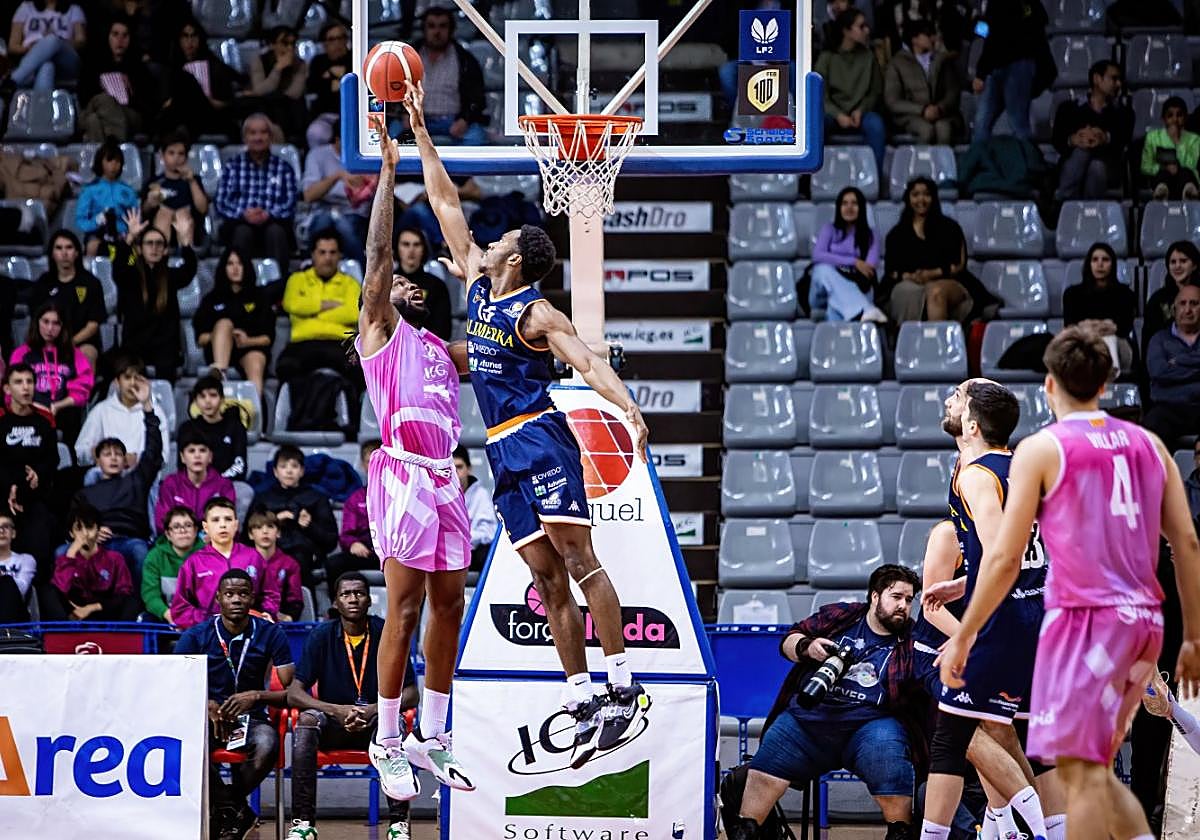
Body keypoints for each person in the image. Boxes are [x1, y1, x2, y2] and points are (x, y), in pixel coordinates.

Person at [406, 83, 653, 767]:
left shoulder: (538, 314)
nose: (486, 241)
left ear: (513, 257)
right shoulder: (478, 283)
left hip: (542, 436)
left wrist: (626, 405)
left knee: (580, 563)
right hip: (500, 450)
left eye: (500, 239)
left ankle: (622, 688)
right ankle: (579, 698)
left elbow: (586, 362)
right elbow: (445, 203)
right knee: (544, 582)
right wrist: (421, 131)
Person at [937, 325, 1200, 840]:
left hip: (1083, 620)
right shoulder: (1148, 442)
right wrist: (1189, 636)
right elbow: (1185, 545)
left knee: (1071, 766)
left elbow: (1009, 557)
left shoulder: (1044, 450)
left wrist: (964, 634)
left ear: (1051, 387)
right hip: (1141, 616)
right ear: (1107, 381)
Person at [353, 122, 475, 800]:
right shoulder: (380, 335)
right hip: (402, 475)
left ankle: (432, 734)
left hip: (446, 478)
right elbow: (375, 260)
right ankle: (386, 739)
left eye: (414, 279)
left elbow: (492, 350)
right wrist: (389, 175)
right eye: (397, 280)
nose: (407, 282)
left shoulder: (438, 348)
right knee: (400, 610)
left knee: (449, 603)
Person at [918, 379, 1058, 840]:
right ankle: (1041, 829)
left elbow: (1005, 551)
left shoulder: (977, 474)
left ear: (972, 424)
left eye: (958, 396)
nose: (948, 399)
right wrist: (965, 581)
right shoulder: (1018, 466)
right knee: (1012, 739)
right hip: (1034, 611)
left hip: (1003, 620)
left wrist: (966, 632)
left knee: (952, 737)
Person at [728, 565, 922, 840]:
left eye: (909, 599)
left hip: (869, 725)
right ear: (875, 597)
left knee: (888, 753)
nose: (903, 605)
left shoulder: (913, 638)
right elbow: (788, 640)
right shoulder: (841, 616)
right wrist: (807, 646)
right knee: (769, 759)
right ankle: (747, 829)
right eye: (896, 597)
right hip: (810, 720)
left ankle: (900, 831)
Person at [286, 572, 418, 840]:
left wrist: (371, 710)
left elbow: (412, 693)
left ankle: (398, 823)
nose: (353, 599)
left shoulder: (386, 632)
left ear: (370, 600)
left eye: (359, 593)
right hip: (334, 724)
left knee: (392, 723)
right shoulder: (321, 635)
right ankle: (303, 822)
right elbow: (294, 694)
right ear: (335, 602)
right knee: (307, 722)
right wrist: (336, 710)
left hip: (376, 725)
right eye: (346, 594)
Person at [175, 568, 294, 840]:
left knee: (268, 744)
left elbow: (291, 690)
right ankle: (236, 810)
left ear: (252, 598)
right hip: (206, 718)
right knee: (186, 749)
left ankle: (226, 806)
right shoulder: (196, 636)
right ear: (218, 599)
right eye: (229, 594)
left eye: (243, 593)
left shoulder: (270, 633)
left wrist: (256, 696)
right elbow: (175, 685)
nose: (236, 600)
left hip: (252, 718)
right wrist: (206, 705)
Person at [73, 374, 161, 579]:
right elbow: (73, 525)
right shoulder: (85, 493)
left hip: (130, 540)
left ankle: (141, 609)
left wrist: (147, 405)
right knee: (61, 553)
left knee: (140, 552)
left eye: (118, 454)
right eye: (106, 454)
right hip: (95, 541)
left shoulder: (136, 481)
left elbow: (153, 451)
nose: (113, 458)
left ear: (125, 460)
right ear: (97, 460)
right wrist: (91, 533)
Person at [882, 177, 995, 323]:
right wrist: (909, 276)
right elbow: (892, 270)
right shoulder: (896, 234)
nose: (921, 199)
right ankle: (908, 341)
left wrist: (932, 274)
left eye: (926, 194)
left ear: (933, 198)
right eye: (915, 194)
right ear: (908, 198)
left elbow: (959, 265)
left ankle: (938, 343)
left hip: (949, 282)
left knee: (935, 292)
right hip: (909, 283)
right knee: (906, 292)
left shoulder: (950, 228)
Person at [171, 496, 281, 629]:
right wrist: (209, 620)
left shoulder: (253, 557)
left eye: (228, 519)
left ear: (236, 525)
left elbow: (271, 594)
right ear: (205, 527)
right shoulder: (194, 563)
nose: (223, 524)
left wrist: (266, 613)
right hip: (208, 633)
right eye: (215, 520)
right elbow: (180, 608)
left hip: (249, 631)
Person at [113, 208, 196, 382]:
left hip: (164, 347)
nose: (154, 248)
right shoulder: (131, 275)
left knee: (167, 371)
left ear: (166, 250)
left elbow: (189, 270)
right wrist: (129, 238)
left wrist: (185, 242)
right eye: (149, 243)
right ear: (140, 249)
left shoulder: (170, 276)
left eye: (159, 244)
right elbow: (118, 269)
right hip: (134, 345)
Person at [275, 231, 361, 395]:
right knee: (285, 367)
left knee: (358, 370)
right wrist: (328, 306)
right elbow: (291, 304)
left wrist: (312, 315)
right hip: (303, 343)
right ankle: (293, 419)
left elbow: (353, 313)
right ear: (313, 255)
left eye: (332, 252)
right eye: (322, 252)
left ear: (340, 256)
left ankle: (352, 419)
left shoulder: (351, 283)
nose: (327, 258)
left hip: (340, 343)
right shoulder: (297, 279)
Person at [214, 113, 298, 271]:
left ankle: (278, 288)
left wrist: (268, 214)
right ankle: (240, 287)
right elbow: (221, 202)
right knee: (242, 232)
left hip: (274, 222)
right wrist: (244, 214)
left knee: (276, 232)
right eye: (252, 133)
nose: (258, 137)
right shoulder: (232, 166)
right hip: (239, 222)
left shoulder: (284, 168)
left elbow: (290, 204)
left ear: (270, 136)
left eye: (263, 132)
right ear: (245, 138)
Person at [0, 363, 59, 574]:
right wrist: (12, 485)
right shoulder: (1, 419)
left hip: (35, 496)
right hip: (3, 495)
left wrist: (39, 473)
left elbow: (53, 458)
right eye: (19, 382)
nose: (26, 388)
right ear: (7, 389)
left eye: (30, 382)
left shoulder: (44, 419)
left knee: (41, 540)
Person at [248, 445, 338, 584]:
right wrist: (274, 521)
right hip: (269, 552)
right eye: (283, 466)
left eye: (294, 466)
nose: (289, 471)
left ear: (302, 471)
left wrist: (309, 525)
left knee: (298, 560)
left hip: (305, 556)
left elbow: (331, 541)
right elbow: (247, 537)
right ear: (275, 471)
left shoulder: (316, 497)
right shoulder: (263, 498)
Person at [9, 300, 93, 446]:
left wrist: (59, 405)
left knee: (72, 417)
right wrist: (34, 406)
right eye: (45, 321)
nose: (50, 328)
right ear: (37, 322)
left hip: (62, 412)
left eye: (56, 323)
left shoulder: (74, 355)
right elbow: (11, 391)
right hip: (29, 411)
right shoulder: (21, 353)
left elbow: (83, 390)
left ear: (63, 327)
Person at [192, 247, 273, 395]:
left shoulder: (259, 297)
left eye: (240, 264)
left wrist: (247, 341)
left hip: (250, 347)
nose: (235, 268)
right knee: (224, 324)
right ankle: (219, 376)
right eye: (230, 264)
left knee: (255, 362)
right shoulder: (212, 299)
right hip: (218, 352)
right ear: (224, 267)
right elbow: (200, 338)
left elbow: (267, 338)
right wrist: (221, 335)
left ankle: (253, 412)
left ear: (246, 267)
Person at [815, 8, 886, 174]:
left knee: (876, 125)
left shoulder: (869, 57)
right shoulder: (827, 58)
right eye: (861, 27)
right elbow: (819, 95)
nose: (867, 30)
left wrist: (861, 110)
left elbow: (875, 92)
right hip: (832, 114)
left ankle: (875, 177)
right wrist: (838, 115)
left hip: (860, 113)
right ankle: (813, 179)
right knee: (817, 124)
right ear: (846, 31)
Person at [970, 0, 1051, 144]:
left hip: (1018, 65)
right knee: (981, 123)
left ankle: (1026, 163)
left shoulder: (1027, 5)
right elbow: (988, 32)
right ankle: (979, 163)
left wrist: (981, 73)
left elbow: (1039, 22)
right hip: (996, 66)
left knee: (1018, 125)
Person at [1051, 60, 1133, 200]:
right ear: (1097, 79)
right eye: (1114, 78)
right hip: (1073, 166)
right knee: (1081, 151)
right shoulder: (1069, 108)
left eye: (1119, 80)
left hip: (1107, 166)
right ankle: (1071, 205)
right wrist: (1074, 139)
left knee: (1096, 167)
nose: (1119, 84)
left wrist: (1104, 138)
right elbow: (1058, 140)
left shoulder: (1123, 113)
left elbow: (1123, 140)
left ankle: (1067, 205)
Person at [42, 503, 139, 621]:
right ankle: (62, 634)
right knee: (48, 591)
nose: (85, 534)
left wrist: (92, 608)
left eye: (89, 527)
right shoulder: (65, 559)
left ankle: (123, 637)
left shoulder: (114, 558)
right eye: (78, 529)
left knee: (131, 601)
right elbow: (61, 589)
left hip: (103, 611)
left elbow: (124, 593)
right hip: (74, 613)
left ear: (98, 530)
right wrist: (71, 553)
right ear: (71, 533)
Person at [409, 6, 488, 146]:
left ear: (451, 29)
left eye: (443, 26)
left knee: (477, 136)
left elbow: (478, 98)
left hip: (453, 121)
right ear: (424, 30)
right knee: (391, 134)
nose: (437, 32)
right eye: (431, 26)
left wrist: (465, 120)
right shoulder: (409, 57)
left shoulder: (465, 59)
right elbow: (395, 87)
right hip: (417, 119)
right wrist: (405, 115)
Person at [808, 186, 886, 323]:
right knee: (822, 269)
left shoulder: (871, 235)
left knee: (835, 305)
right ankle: (866, 310)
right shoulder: (829, 229)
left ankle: (840, 336)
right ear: (839, 207)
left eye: (854, 203)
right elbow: (818, 255)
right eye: (844, 203)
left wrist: (834, 260)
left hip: (859, 287)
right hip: (821, 292)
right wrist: (854, 262)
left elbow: (868, 269)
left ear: (861, 207)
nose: (849, 207)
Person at [29, 229, 106, 366]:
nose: (64, 253)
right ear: (52, 254)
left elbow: (93, 325)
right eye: (59, 248)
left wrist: (69, 343)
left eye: (69, 247)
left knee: (87, 354)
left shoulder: (91, 283)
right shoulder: (43, 283)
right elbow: (37, 319)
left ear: (77, 252)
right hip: (47, 340)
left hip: (81, 342)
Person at [74, 355, 169, 466]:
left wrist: (137, 459)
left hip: (144, 479)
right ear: (117, 382)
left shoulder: (155, 412)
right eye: (127, 377)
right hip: (107, 479)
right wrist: (95, 453)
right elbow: (80, 452)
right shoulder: (101, 410)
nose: (133, 383)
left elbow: (164, 456)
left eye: (137, 378)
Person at [882, 18, 963, 145]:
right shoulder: (897, 63)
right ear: (914, 39)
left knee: (944, 129)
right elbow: (892, 101)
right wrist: (922, 110)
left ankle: (942, 165)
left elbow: (952, 92)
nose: (933, 38)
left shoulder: (942, 60)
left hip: (943, 114)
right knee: (927, 131)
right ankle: (920, 164)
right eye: (928, 34)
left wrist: (939, 109)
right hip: (911, 116)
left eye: (934, 34)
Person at [157, 18, 239, 142]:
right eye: (185, 36)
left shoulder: (215, 66)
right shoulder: (170, 70)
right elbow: (165, 103)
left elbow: (227, 102)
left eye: (194, 36)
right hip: (179, 114)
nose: (190, 41)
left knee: (187, 81)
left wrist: (209, 100)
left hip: (208, 113)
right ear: (179, 40)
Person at [301, 126, 373, 265]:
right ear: (337, 139)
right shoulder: (317, 155)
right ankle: (312, 266)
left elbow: (366, 201)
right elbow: (309, 195)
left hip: (354, 214)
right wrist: (337, 176)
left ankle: (359, 268)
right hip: (321, 211)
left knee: (346, 224)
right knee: (324, 219)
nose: (355, 145)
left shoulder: (365, 156)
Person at [1062, 242, 1137, 374]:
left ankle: (1110, 371)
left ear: (1112, 264)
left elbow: (1124, 328)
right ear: (1089, 264)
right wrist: (1104, 326)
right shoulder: (1072, 294)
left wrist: (1089, 326)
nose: (1100, 264)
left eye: (1105, 260)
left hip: (1119, 346)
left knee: (1110, 338)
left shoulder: (1125, 294)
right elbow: (1070, 326)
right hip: (1083, 343)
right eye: (1095, 259)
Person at [78, 15, 155, 142]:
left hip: (128, 114)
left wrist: (130, 88)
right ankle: (116, 154)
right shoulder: (92, 64)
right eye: (115, 34)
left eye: (125, 35)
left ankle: (108, 157)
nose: (120, 40)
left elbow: (147, 106)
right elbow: (84, 97)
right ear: (108, 37)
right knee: (103, 101)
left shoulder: (138, 68)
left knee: (93, 122)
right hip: (95, 108)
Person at [1143, 283, 1200, 449]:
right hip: (1170, 409)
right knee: (1152, 427)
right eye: (1182, 304)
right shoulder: (1158, 340)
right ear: (1174, 310)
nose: (1188, 310)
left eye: (1194, 304)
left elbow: (1167, 373)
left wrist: (1179, 361)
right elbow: (1159, 372)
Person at [154, 428, 235, 534]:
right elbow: (162, 522)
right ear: (182, 457)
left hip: (212, 542)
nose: (197, 456)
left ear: (210, 457)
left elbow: (228, 523)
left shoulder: (224, 485)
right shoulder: (171, 484)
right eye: (191, 451)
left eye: (202, 450)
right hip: (178, 542)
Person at [323, 438, 381, 588]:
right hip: (366, 554)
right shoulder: (355, 499)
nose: (374, 465)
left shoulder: (401, 496)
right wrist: (353, 544)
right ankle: (337, 607)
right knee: (334, 564)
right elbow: (346, 535)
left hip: (394, 556)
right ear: (363, 465)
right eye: (369, 461)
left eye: (379, 460)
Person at [241, 25, 308, 145]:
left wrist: (265, 92)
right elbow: (260, 89)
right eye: (284, 43)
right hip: (265, 108)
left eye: (292, 44)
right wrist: (278, 69)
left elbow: (294, 93)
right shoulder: (260, 61)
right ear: (272, 45)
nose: (289, 48)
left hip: (289, 110)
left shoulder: (300, 64)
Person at [177, 375, 249, 481]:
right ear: (195, 401)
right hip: (195, 486)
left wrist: (216, 483)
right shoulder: (187, 428)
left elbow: (240, 467)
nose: (208, 401)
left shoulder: (236, 427)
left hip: (228, 484)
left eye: (213, 395)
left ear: (222, 399)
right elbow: (182, 467)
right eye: (202, 396)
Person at [142, 131, 210, 243]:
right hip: (159, 228)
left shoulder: (194, 180)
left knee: (182, 216)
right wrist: (150, 203)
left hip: (190, 229)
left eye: (181, 154)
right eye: (171, 153)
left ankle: (187, 255)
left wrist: (192, 181)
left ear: (186, 157)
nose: (176, 158)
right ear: (162, 155)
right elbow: (144, 212)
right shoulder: (154, 182)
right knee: (164, 215)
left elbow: (203, 209)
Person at [76, 139, 140, 257]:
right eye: (109, 160)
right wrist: (96, 221)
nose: (114, 165)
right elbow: (81, 220)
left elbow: (136, 217)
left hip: (124, 236)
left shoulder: (128, 191)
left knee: (136, 253)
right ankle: (92, 273)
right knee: (92, 247)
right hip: (98, 235)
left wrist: (130, 231)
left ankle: (132, 273)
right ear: (100, 162)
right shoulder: (90, 190)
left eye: (117, 161)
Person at [4, 0, 86, 92]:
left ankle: (13, 80)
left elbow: (81, 41)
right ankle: (41, 104)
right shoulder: (26, 7)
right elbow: (12, 46)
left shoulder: (74, 9)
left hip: (65, 60)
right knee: (46, 66)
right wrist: (33, 48)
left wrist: (57, 42)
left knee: (51, 40)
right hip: (32, 59)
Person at [141, 505, 201, 624]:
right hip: (166, 614)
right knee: (145, 619)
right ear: (168, 534)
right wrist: (168, 615)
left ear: (195, 531)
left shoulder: (207, 556)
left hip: (198, 616)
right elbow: (150, 595)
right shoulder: (155, 557)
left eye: (188, 525)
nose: (182, 530)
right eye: (176, 526)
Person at [394, 226, 452, 341]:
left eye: (417, 245)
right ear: (397, 248)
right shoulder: (389, 284)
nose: (411, 250)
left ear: (424, 249)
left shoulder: (436, 285)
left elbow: (443, 328)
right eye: (406, 244)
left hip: (426, 349)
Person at [1144, 241, 1199, 356]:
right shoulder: (1157, 299)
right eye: (1173, 262)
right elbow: (1149, 338)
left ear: (1194, 265)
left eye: (1183, 261)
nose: (1177, 266)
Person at [247, 509, 303, 622]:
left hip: (280, 622)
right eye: (258, 527)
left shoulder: (290, 564)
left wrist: (289, 617)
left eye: (270, 526)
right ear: (250, 535)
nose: (265, 531)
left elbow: (295, 600)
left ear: (278, 533)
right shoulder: (243, 562)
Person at [304, 21, 352, 149]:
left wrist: (330, 78)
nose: (337, 43)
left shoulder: (355, 59)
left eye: (341, 38)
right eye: (331, 39)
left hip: (353, 115)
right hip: (327, 116)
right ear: (324, 43)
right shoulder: (318, 62)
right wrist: (337, 79)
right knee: (315, 133)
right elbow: (314, 88)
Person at [1141, 96, 1199, 201]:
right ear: (1163, 119)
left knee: (1186, 173)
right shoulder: (1153, 137)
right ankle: (1161, 195)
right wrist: (1163, 168)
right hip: (1162, 178)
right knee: (1162, 174)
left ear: (1185, 118)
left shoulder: (1194, 139)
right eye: (1170, 115)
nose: (1175, 119)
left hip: (1185, 177)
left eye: (1179, 115)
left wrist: (1177, 142)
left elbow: (1191, 164)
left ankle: (1189, 195)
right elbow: (1146, 166)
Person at [453, 445, 496, 572]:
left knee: (486, 552)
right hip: (446, 554)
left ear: (469, 469)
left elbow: (489, 532)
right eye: (451, 468)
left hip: (472, 553)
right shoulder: (438, 496)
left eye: (459, 467)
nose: (456, 473)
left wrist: (461, 540)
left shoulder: (480, 495)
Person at [0, 511, 37, 623]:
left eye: (6, 527)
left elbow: (21, 590)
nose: (1, 531)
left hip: (14, 614)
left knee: (7, 584)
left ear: (14, 533)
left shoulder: (26, 559)